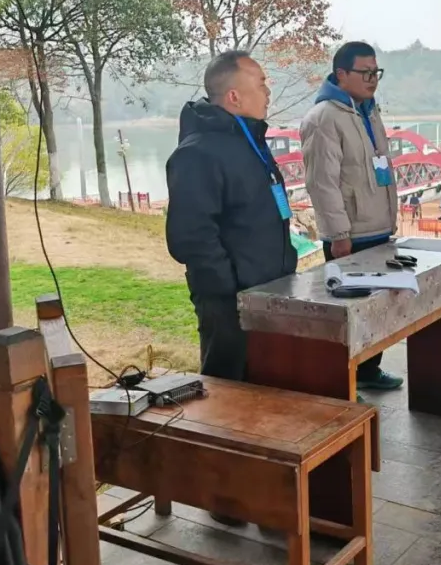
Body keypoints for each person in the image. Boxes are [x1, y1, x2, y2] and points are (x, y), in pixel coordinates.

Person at [165, 51, 298, 381]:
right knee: (228, 390)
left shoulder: (251, 141)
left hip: (272, 288)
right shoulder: (198, 152)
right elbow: (190, 236)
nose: (268, 92)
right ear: (234, 96)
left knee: (272, 385)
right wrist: (229, 287)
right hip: (230, 302)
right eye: (261, 84)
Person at [301, 41, 403, 391]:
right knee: (349, 315)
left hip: (378, 229)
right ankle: (340, 384)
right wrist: (338, 234)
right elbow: (322, 183)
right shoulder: (324, 118)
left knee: (376, 311)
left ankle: (368, 372)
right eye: (365, 72)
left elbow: (380, 166)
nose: (373, 79)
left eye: (376, 72)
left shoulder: (369, 110)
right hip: (350, 235)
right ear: (341, 74)